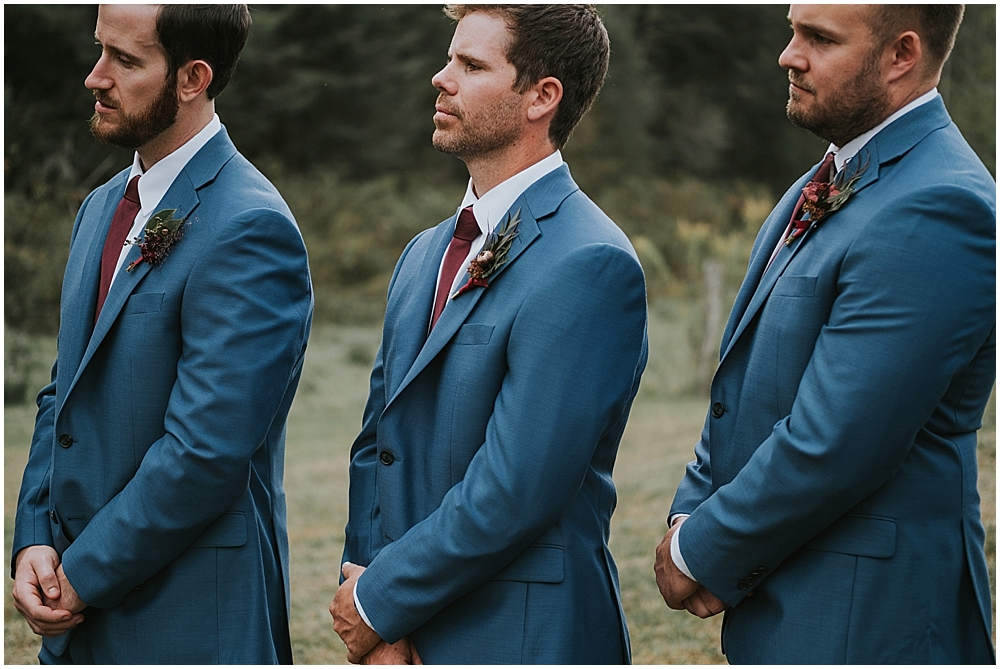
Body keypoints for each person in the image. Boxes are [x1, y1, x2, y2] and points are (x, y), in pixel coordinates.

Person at [655, 4, 995, 663]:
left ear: (901, 55)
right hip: (792, 603)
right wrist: (690, 507)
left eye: (819, 38)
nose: (788, 54)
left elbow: (840, 438)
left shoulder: (942, 204)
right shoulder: (824, 181)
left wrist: (702, 548)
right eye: (792, 29)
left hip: (868, 618)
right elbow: (746, 380)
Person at [330, 4, 647, 664]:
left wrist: (382, 601)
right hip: (406, 634)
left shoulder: (590, 262)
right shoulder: (423, 254)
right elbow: (378, 442)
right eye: (450, 58)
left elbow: (515, 486)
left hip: (524, 632)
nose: (439, 78)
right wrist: (365, 580)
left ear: (542, 97)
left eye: (471, 65)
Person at [11, 4, 313, 664]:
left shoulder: (249, 229)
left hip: (189, 614)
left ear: (192, 77)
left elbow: (205, 452)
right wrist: (35, 535)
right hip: (77, 611)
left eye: (125, 60)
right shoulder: (99, 209)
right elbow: (65, 389)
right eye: (100, 51)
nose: (95, 77)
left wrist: (80, 576)